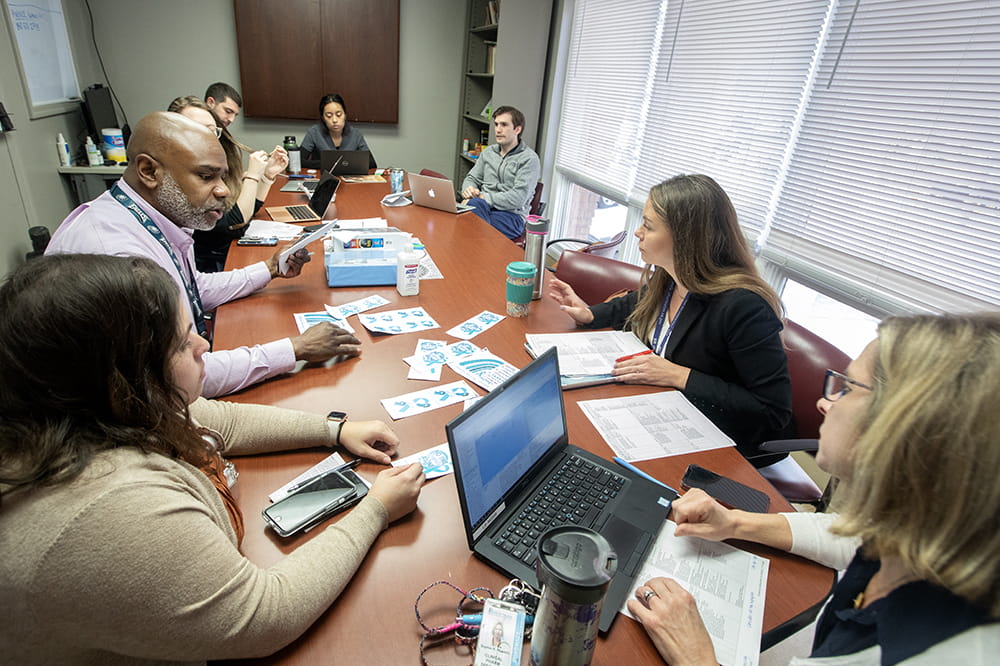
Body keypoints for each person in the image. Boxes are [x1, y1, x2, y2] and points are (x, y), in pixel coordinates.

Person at [0, 253, 425, 664]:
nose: (204, 344)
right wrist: (376, 510)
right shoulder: (111, 507)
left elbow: (219, 419)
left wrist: (334, 429)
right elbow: (266, 616)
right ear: (124, 376)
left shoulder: (89, 408)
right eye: (183, 343)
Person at [628, 312, 1000, 664]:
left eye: (848, 387)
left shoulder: (934, 652)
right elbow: (855, 535)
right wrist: (735, 523)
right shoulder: (924, 534)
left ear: (907, 424)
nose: (825, 402)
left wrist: (697, 659)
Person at [46, 111, 360, 398]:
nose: (223, 190)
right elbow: (178, 380)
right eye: (206, 176)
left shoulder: (147, 218)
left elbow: (191, 290)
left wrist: (270, 268)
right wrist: (296, 348)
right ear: (148, 171)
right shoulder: (118, 256)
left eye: (223, 177)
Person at [547, 174, 792, 459]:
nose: (638, 233)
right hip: (662, 410)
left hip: (719, 440)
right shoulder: (674, 276)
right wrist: (589, 314)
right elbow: (635, 303)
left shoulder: (743, 306)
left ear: (686, 238)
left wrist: (678, 374)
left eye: (648, 226)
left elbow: (773, 411)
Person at [167, 95, 289, 272]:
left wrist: (267, 177)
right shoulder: (178, 178)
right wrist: (253, 176)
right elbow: (234, 225)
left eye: (211, 131)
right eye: (195, 130)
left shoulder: (214, 166)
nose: (207, 137)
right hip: (209, 269)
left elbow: (245, 212)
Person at [461, 106, 541, 239]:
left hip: (511, 217)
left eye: (504, 125)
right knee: (472, 215)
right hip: (483, 208)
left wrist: (483, 197)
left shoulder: (529, 159)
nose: (498, 130)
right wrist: (468, 190)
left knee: (468, 220)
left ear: (517, 129)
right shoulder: (488, 152)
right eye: (496, 124)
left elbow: (518, 198)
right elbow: (472, 178)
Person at [300, 93, 377, 169]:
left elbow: (372, 163)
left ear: (345, 115)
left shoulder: (355, 134)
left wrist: (341, 164)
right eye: (329, 116)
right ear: (323, 118)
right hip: (322, 178)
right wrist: (328, 164)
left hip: (348, 178)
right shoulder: (314, 132)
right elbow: (299, 160)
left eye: (339, 114)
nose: (334, 120)